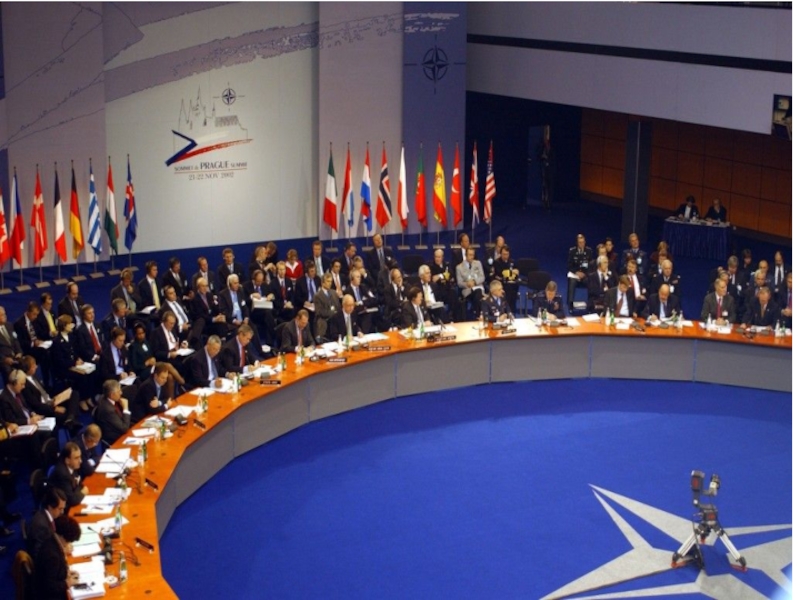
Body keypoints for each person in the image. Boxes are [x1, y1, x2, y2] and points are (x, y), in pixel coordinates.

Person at [20, 355, 80, 432]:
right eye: (34, 366)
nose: (36, 367)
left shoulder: (34, 376)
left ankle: (70, 418)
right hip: (45, 408)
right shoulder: (25, 385)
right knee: (68, 412)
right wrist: (54, 409)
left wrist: (56, 397)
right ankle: (70, 420)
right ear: (28, 369)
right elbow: (36, 405)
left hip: (51, 400)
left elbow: (45, 390)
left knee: (74, 394)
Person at [33, 514, 82, 600]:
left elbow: (55, 572)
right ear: (63, 536)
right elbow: (48, 587)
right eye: (68, 541)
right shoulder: (52, 556)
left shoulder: (52, 539)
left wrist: (66, 572)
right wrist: (67, 583)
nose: (68, 543)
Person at [28, 487, 67, 560]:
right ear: (50, 507)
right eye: (60, 509)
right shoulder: (41, 527)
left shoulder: (44, 515)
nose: (62, 512)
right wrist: (60, 551)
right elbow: (40, 554)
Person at [47, 442, 88, 510]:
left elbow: (79, 485)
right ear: (67, 460)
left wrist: (77, 491)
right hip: (59, 509)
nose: (80, 461)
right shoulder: (62, 474)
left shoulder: (72, 466)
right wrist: (83, 492)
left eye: (80, 457)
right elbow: (72, 500)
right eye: (76, 458)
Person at [94, 379, 131, 445]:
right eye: (119, 391)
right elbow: (124, 428)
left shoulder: (105, 398)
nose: (121, 393)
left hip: (118, 426)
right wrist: (125, 408)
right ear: (112, 395)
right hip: (115, 437)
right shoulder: (108, 410)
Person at [456, 247, 486, 319]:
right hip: (468, 291)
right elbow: (459, 283)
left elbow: (482, 277)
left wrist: (475, 282)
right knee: (478, 294)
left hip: (479, 288)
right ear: (465, 255)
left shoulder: (478, 263)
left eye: (473, 255)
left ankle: (476, 313)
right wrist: (467, 284)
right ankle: (478, 314)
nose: (471, 257)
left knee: (478, 292)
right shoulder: (459, 267)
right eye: (470, 255)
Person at [566, 234, 592, 311]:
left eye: (583, 242)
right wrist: (576, 272)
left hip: (585, 275)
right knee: (572, 282)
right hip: (575, 274)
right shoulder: (572, 251)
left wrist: (585, 274)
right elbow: (569, 265)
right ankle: (570, 304)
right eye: (580, 242)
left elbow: (591, 265)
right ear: (577, 243)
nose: (581, 244)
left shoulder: (589, 251)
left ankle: (591, 304)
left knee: (591, 282)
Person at [492, 245, 520, 314]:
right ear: (500, 254)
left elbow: (517, 272)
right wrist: (511, 272)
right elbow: (501, 273)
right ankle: (506, 312)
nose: (505, 256)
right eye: (504, 254)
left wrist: (512, 273)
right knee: (508, 289)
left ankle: (512, 312)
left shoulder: (512, 262)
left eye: (507, 254)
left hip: (512, 284)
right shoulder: (497, 262)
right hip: (502, 284)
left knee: (515, 286)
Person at [313, 272, 340, 340]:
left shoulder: (334, 293)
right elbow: (319, 312)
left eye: (331, 281)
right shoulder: (317, 296)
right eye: (328, 281)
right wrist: (333, 313)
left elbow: (338, 307)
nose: (330, 283)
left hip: (335, 321)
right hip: (324, 321)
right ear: (322, 283)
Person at [0, 305, 24, 378]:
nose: (5, 316)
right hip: (4, 360)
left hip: (15, 357)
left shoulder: (9, 325)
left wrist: (19, 352)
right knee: (10, 373)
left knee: (26, 364)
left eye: (5, 314)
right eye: (2, 315)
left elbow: (15, 340)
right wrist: (5, 359)